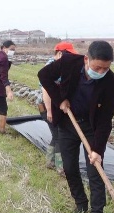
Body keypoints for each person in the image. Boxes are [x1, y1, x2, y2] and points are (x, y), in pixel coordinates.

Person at [38, 41, 114, 213]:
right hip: (68, 123)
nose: (100, 72)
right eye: (97, 67)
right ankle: (81, 204)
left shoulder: (111, 83)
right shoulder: (69, 62)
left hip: (91, 128)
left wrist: (98, 150)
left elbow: (105, 119)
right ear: (86, 59)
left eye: (105, 69)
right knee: (69, 167)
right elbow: (44, 76)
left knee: (95, 171)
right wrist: (60, 100)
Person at [37, 42, 78, 175]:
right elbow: (46, 91)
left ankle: (50, 162)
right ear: (60, 53)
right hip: (48, 108)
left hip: (54, 108)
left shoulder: (62, 66)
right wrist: (49, 111)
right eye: (69, 55)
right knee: (60, 136)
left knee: (56, 135)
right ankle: (61, 168)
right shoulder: (51, 67)